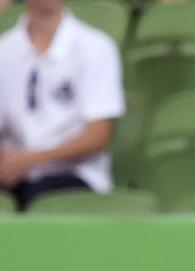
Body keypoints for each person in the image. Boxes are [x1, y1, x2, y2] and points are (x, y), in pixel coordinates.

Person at [0, 0, 124, 210]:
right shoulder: (5, 49)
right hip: (14, 172)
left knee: (39, 199)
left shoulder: (96, 47)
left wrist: (31, 160)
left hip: (74, 175)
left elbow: (98, 136)